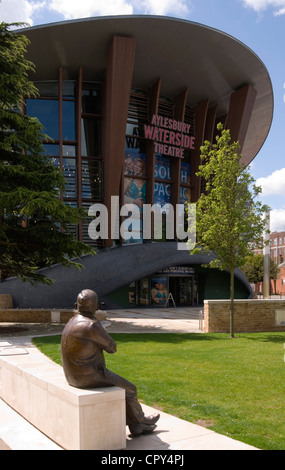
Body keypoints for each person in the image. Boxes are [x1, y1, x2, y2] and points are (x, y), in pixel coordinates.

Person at [61, 289, 160, 437]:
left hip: (72, 375)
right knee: (130, 389)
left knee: (122, 388)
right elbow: (112, 348)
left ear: (77, 305)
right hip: (90, 375)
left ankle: (136, 425)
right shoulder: (91, 325)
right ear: (96, 307)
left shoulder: (72, 320)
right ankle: (141, 422)